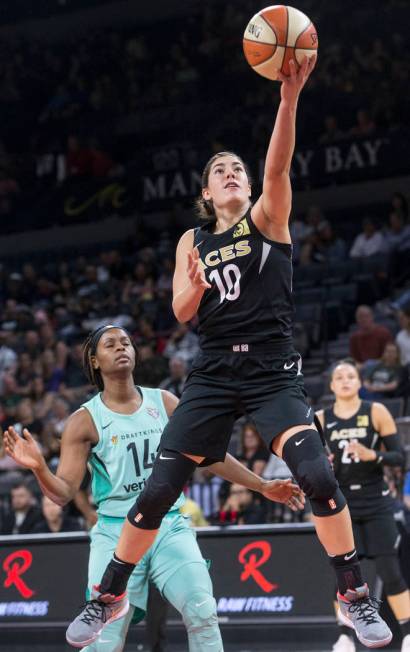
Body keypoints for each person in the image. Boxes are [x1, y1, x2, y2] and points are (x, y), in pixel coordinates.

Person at [64, 56, 392, 649]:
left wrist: (288, 99)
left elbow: (277, 165)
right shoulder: (193, 239)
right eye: (220, 170)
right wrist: (192, 279)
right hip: (214, 371)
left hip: (271, 367)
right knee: (159, 490)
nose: (232, 173)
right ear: (206, 191)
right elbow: (182, 311)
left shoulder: (268, 216)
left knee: (317, 475)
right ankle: (108, 594)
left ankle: (353, 594)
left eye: (237, 167)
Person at [4, 325, 304, 651]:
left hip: (168, 525)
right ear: (95, 360)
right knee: (104, 640)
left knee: (203, 612)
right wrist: (39, 468)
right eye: (110, 344)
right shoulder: (84, 420)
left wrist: (261, 485)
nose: (121, 348)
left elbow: (207, 454)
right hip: (116, 531)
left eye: (126, 342)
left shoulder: (164, 402)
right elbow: (62, 493)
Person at [316, 359, 410, 652]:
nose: (345, 380)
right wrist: (323, 462)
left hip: (377, 500)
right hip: (341, 503)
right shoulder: (320, 418)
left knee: (390, 569)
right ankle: (344, 635)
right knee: (344, 574)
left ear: (359, 383)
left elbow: (399, 458)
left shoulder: (376, 412)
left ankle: (407, 633)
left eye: (351, 376)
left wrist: (372, 455)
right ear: (331, 385)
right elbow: (307, 463)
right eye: (339, 376)